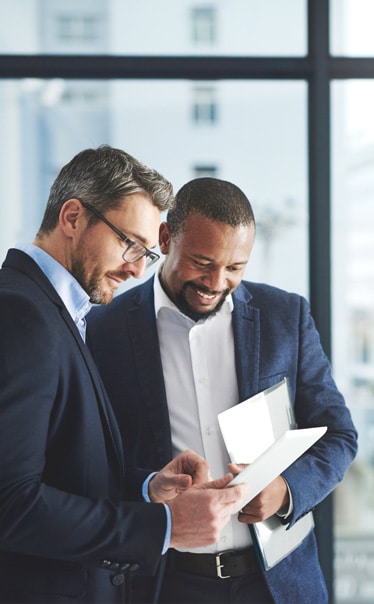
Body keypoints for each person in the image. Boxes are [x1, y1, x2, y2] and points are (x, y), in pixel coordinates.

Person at [87, 176, 358, 604]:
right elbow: (90, 463)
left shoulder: (285, 316)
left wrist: (287, 491)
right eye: (202, 262)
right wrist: (151, 486)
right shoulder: (103, 330)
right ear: (165, 237)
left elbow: (339, 436)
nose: (216, 281)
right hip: (164, 584)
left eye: (235, 268)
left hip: (278, 584)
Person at [0, 152, 249, 604]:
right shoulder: (21, 315)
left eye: (148, 254)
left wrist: (147, 486)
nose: (137, 269)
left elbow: (58, 469)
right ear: (73, 216)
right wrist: (167, 526)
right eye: (129, 244)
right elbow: (10, 503)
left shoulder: (61, 312)